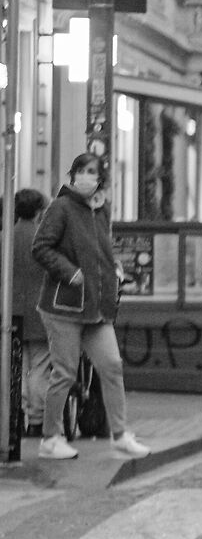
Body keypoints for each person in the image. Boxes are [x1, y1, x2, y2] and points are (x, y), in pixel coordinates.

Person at [31, 155, 148, 461]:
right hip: (64, 305)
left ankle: (120, 434)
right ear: (72, 176)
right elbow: (41, 247)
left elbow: (99, 251)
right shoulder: (61, 207)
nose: (86, 176)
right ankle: (50, 438)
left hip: (96, 306)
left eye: (92, 172)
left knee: (112, 366)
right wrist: (70, 272)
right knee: (65, 373)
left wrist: (113, 270)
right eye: (81, 171)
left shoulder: (101, 209)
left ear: (101, 177)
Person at [9, 187, 50, 435]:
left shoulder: (6, 237)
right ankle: (36, 420)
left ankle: (17, 417)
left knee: (17, 367)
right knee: (40, 368)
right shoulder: (44, 239)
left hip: (11, 312)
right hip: (40, 312)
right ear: (39, 211)